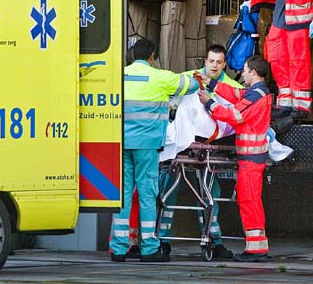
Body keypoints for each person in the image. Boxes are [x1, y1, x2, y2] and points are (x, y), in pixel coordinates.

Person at [110, 38, 198, 262]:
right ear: (152, 57)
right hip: (147, 146)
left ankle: (118, 249)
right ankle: (149, 248)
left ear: (132, 56)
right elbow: (191, 85)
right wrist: (200, 74)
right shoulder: (160, 77)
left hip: (122, 143)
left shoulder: (118, 76)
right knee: (148, 195)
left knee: (123, 195)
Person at [157, 44, 240, 259]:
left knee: (211, 194)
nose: (214, 65)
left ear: (224, 64)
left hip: (208, 142)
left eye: (219, 62)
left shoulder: (231, 86)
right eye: (211, 61)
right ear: (205, 61)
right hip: (183, 140)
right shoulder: (187, 78)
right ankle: (163, 241)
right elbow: (167, 97)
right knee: (168, 191)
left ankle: (215, 241)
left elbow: (237, 110)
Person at [196, 55, 273, 262]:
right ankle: (258, 246)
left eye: (245, 71)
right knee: (251, 200)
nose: (243, 74)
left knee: (248, 200)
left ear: (254, 73)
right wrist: (211, 83)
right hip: (253, 157)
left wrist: (209, 103)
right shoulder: (257, 93)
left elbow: (234, 115)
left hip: (251, 158)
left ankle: (255, 250)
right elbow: (236, 94)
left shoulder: (255, 95)